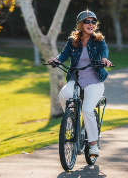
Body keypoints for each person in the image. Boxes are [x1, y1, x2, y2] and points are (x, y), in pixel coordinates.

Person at [48, 11, 113, 157]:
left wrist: (104, 59)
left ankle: (93, 145)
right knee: (64, 94)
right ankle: (71, 120)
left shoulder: (99, 40)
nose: (90, 24)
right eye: (87, 21)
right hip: (76, 80)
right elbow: (64, 55)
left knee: (88, 110)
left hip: (94, 82)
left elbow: (104, 52)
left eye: (93, 21)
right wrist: (56, 60)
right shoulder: (72, 41)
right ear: (80, 24)